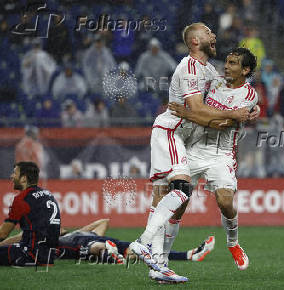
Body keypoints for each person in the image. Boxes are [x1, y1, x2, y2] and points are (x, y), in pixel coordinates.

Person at [128, 23, 253, 283]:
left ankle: (158, 266)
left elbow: (214, 110)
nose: (214, 35)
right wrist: (223, 114)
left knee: (163, 198)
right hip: (172, 132)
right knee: (180, 193)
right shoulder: (189, 67)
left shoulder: (209, 71)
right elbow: (196, 109)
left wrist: (249, 112)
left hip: (190, 140)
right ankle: (143, 244)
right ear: (196, 41)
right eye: (209, 33)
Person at [169, 47, 258, 271]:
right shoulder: (213, 82)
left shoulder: (248, 95)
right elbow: (196, 103)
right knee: (178, 203)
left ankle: (233, 244)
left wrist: (189, 114)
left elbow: (222, 124)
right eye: (226, 62)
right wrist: (202, 112)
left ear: (245, 70)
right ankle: (161, 259)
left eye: (233, 64)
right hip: (195, 148)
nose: (226, 66)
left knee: (225, 202)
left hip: (222, 154)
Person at [0, 219, 215, 265]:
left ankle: (190, 255)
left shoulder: (77, 232)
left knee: (142, 251)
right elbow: (19, 238)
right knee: (93, 249)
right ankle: (189, 255)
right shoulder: (55, 240)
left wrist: (83, 229)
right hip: (87, 245)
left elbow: (104, 222)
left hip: (100, 240)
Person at [0, 162, 61, 266]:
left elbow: (3, 233)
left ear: (23, 178)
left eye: (14, 173)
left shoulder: (22, 199)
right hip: (48, 256)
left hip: (29, 254)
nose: (11, 176)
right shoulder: (48, 195)